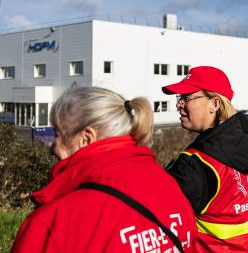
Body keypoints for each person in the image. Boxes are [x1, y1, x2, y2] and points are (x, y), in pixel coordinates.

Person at [12, 87, 197, 253]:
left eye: (58, 134)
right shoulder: (170, 187)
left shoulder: (55, 223)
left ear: (87, 138)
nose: (53, 146)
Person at [162, 66, 248, 252]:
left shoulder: (195, 165)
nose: (179, 104)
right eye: (178, 98)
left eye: (186, 97)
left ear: (214, 104)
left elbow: (157, 221)